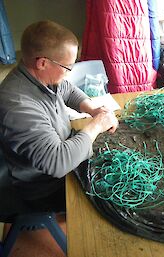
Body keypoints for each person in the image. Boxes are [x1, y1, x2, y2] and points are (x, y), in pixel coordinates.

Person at [0, 20, 119, 212]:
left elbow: (67, 90)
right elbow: (57, 162)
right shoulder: (18, 106)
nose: (69, 73)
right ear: (43, 63)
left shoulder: (39, 75)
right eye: (68, 67)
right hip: (44, 186)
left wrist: (93, 110)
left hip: (62, 152)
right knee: (115, 195)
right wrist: (96, 125)